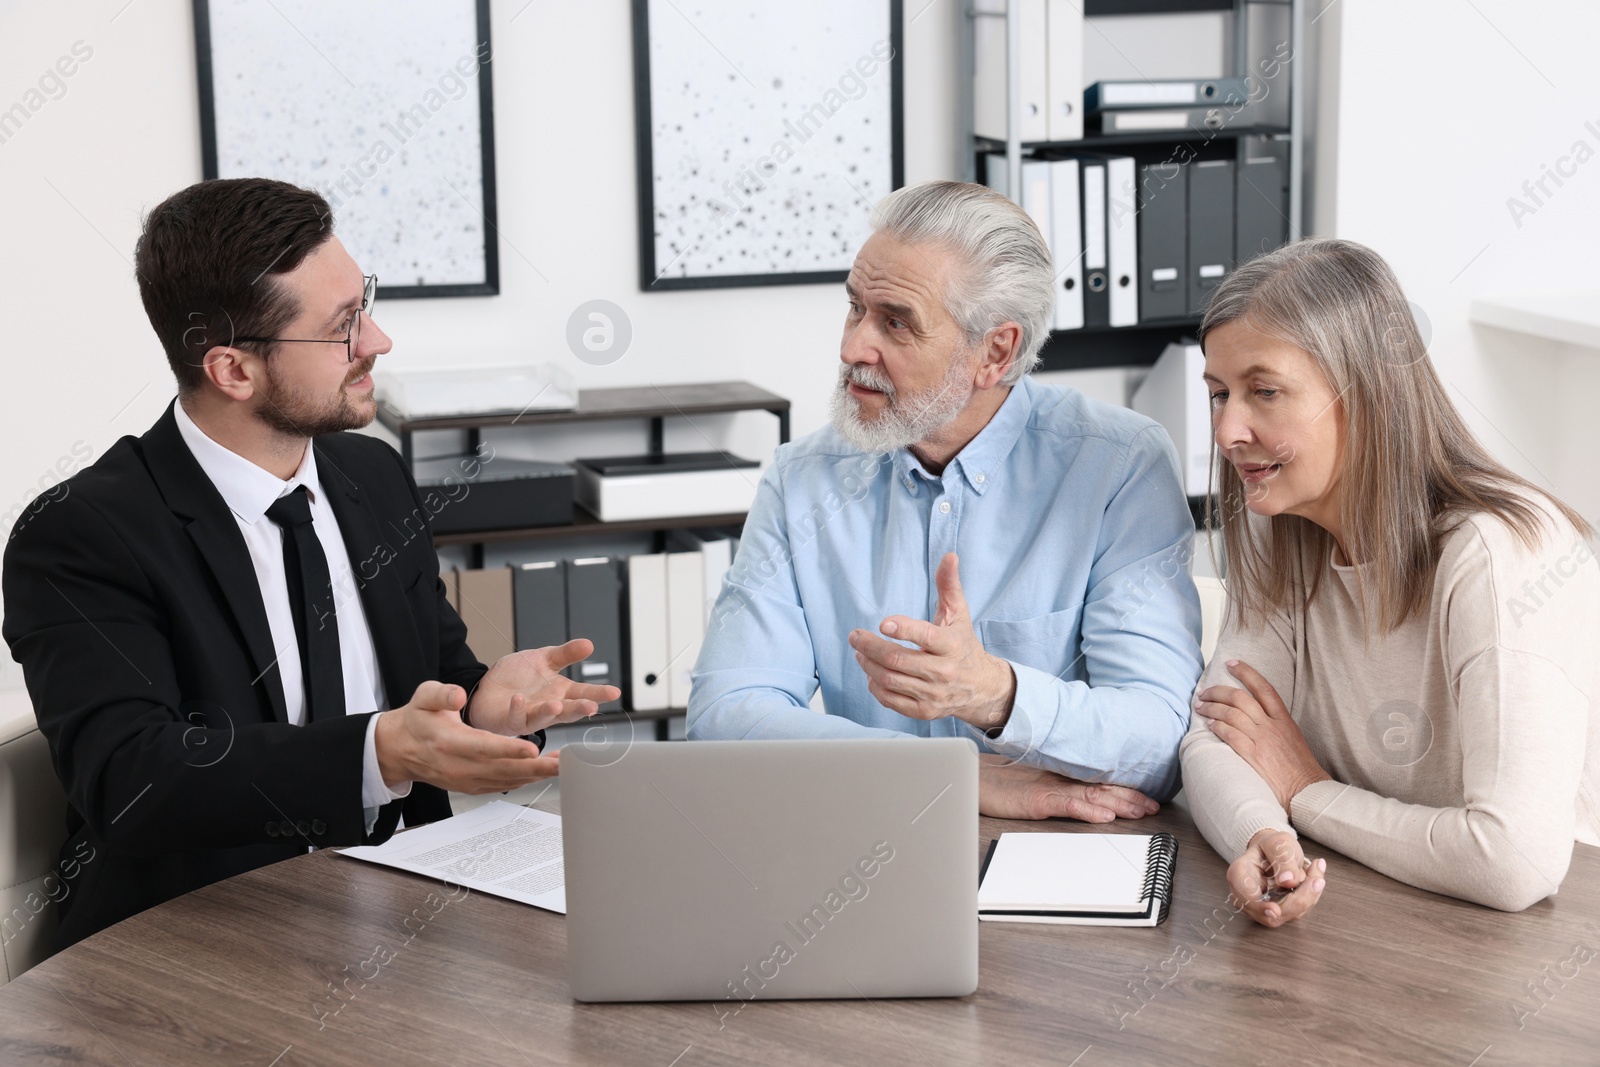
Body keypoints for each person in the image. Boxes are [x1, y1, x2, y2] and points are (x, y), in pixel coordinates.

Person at [2, 178, 618, 948]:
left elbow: (430, 683)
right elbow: (133, 779)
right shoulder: (81, 533)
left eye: (365, 304)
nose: (377, 342)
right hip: (200, 940)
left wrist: (485, 705)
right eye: (342, 327)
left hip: (403, 911)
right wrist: (376, 751)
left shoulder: (374, 477)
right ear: (233, 370)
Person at [687, 180, 1203, 821]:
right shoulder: (803, 479)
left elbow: (1162, 743)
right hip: (870, 834)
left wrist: (996, 695)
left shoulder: (1118, 466)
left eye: (896, 323)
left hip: (1057, 859)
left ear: (996, 351)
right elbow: (724, 718)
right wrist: (956, 779)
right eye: (855, 308)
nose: (852, 349)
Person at [1180, 237, 1600, 926]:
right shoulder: (1279, 524)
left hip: (1537, 939)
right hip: (1375, 904)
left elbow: (1513, 859)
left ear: (1367, 391)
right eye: (1220, 393)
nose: (1228, 430)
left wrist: (1305, 790)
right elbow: (1215, 736)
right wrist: (1263, 833)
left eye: (1264, 391)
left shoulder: (1498, 556)